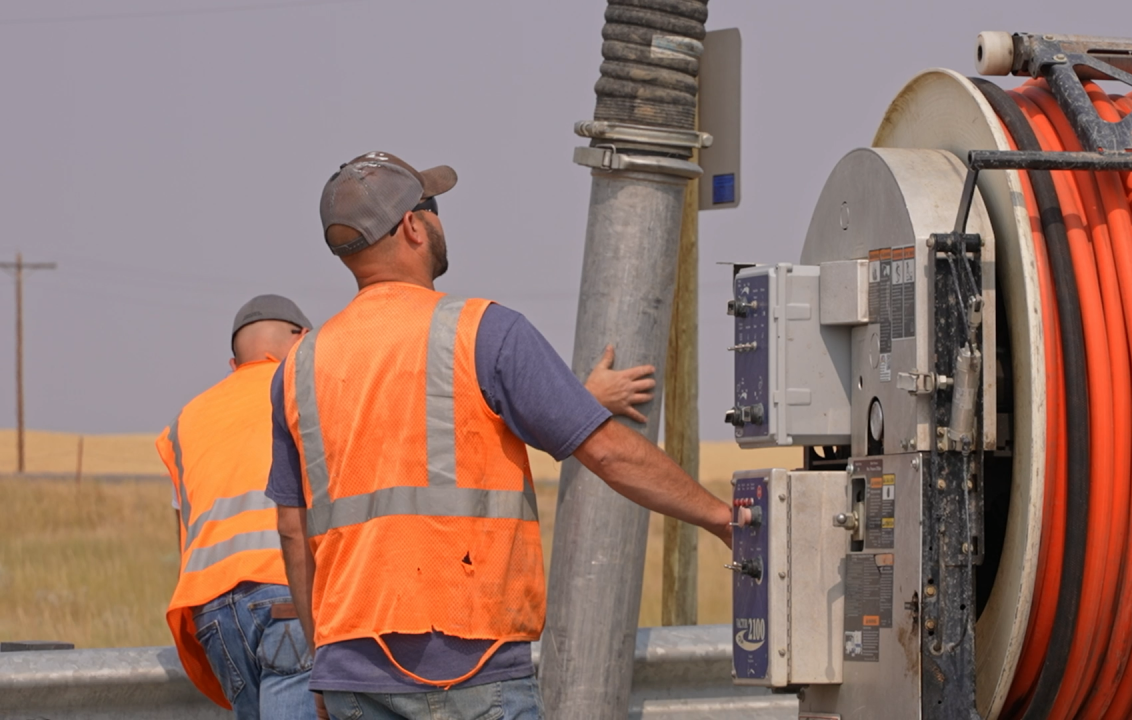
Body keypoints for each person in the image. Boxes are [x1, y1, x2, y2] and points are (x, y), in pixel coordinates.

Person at [265, 151, 734, 720]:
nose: (438, 222)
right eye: (430, 208)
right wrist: (720, 517)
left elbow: (293, 532)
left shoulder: (297, 368)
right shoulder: (482, 332)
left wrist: (322, 660)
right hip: (470, 665)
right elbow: (608, 451)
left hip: (350, 673)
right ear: (412, 226)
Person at [157, 294, 318, 720]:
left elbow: (185, 530)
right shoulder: (306, 392)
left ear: (234, 366)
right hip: (291, 598)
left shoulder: (186, 421)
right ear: (303, 340)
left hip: (214, 614)